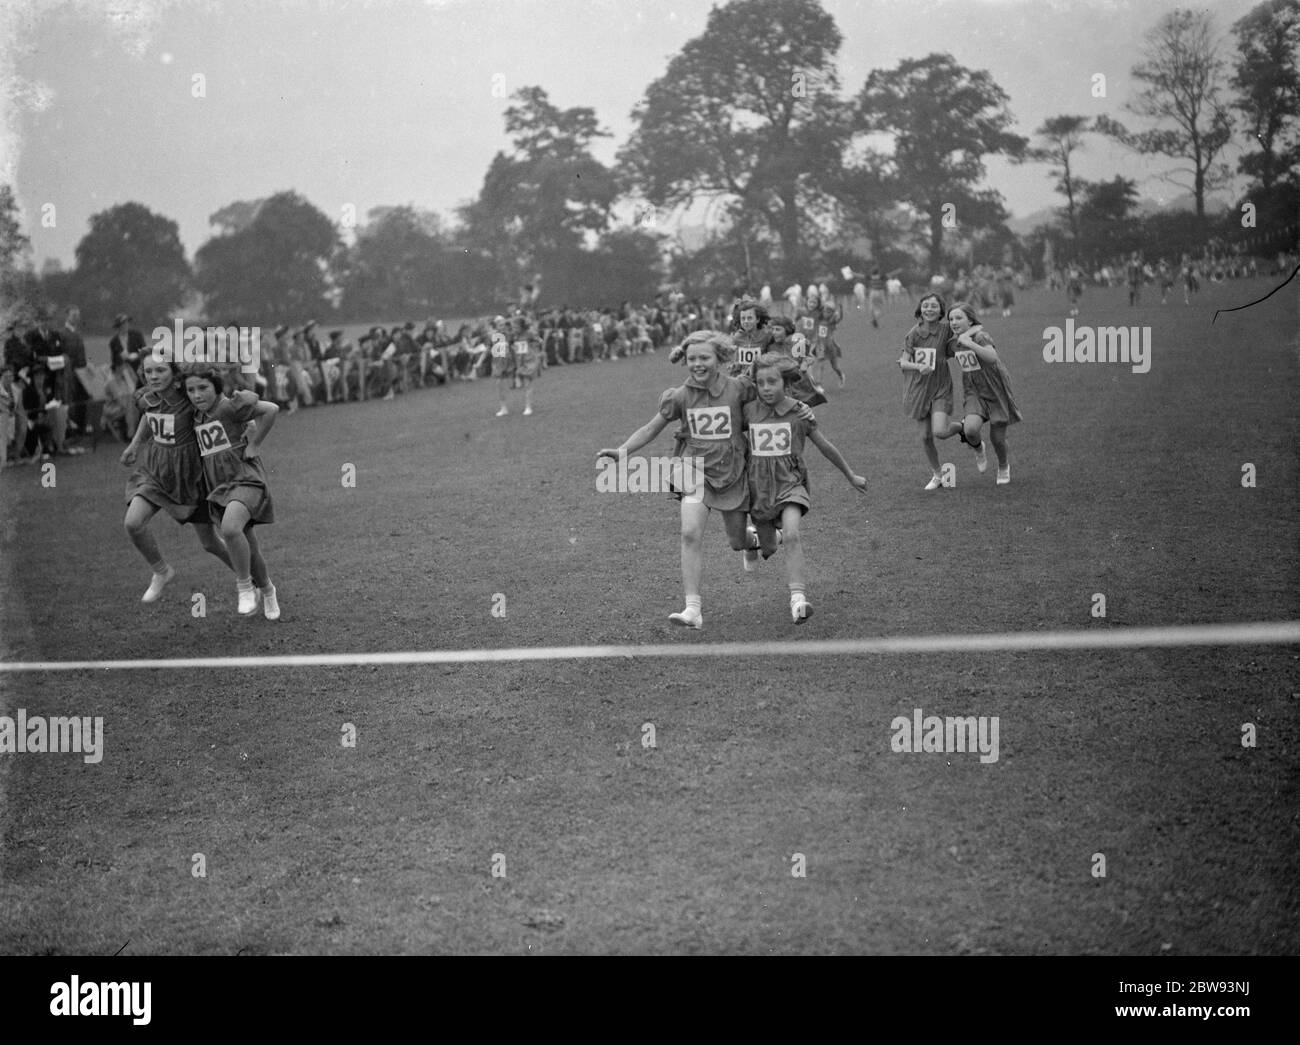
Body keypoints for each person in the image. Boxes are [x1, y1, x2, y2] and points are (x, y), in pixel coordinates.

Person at [597, 331, 799, 630]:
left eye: (704, 358)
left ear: (719, 359)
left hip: (732, 474)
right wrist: (622, 451)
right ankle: (693, 609)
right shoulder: (680, 396)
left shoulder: (739, 388)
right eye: (692, 359)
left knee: (736, 542)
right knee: (689, 533)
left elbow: (771, 399)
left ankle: (755, 540)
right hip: (695, 471)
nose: (698, 364)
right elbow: (651, 428)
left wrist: (798, 410)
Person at [744, 352, 868, 621]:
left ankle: (798, 600)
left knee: (792, 535)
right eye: (760, 382)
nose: (766, 388)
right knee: (770, 549)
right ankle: (755, 541)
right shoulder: (748, 411)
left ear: (786, 383)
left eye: (772, 382)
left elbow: (825, 446)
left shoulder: (799, 412)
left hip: (791, 483)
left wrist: (850, 475)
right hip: (759, 489)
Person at [119, 356, 234, 603]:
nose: (153, 376)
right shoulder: (148, 397)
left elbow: (220, 410)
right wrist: (135, 444)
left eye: (160, 370)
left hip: (190, 477)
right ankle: (161, 571)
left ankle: (249, 578)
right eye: (148, 371)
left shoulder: (189, 398)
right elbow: (149, 416)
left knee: (210, 543)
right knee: (133, 523)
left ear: (174, 373)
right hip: (157, 472)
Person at [182, 365, 281, 619]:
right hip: (219, 485)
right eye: (191, 390)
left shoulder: (228, 407)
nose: (197, 395)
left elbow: (271, 409)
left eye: (203, 388)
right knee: (249, 544)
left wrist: (256, 443)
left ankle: (245, 587)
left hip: (245, 478)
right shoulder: (196, 416)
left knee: (229, 529)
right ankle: (268, 590)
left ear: (217, 386)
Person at [947, 303, 1022, 485]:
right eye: (951, 319)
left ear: (970, 320)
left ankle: (1003, 465)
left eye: (959, 318)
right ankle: (978, 447)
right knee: (970, 429)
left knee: (997, 438)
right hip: (973, 389)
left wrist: (970, 342)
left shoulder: (980, 336)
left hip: (995, 388)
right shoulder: (953, 343)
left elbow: (992, 357)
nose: (954, 322)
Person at [899, 293, 963, 491]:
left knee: (940, 432)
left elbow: (960, 341)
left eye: (934, 306)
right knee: (926, 436)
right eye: (925, 305)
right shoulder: (914, 333)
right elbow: (903, 362)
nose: (929, 309)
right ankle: (938, 475)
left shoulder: (946, 330)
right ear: (920, 309)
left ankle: (963, 428)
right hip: (919, 389)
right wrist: (917, 366)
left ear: (941, 311)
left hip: (941, 386)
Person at [796, 288, 845, 389]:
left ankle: (841, 376)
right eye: (826, 311)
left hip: (830, 346)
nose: (826, 313)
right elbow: (807, 313)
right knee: (819, 363)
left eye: (829, 312)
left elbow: (839, 318)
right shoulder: (818, 317)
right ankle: (818, 384)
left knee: (835, 366)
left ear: (832, 313)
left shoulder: (831, 321)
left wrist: (840, 309)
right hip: (819, 345)